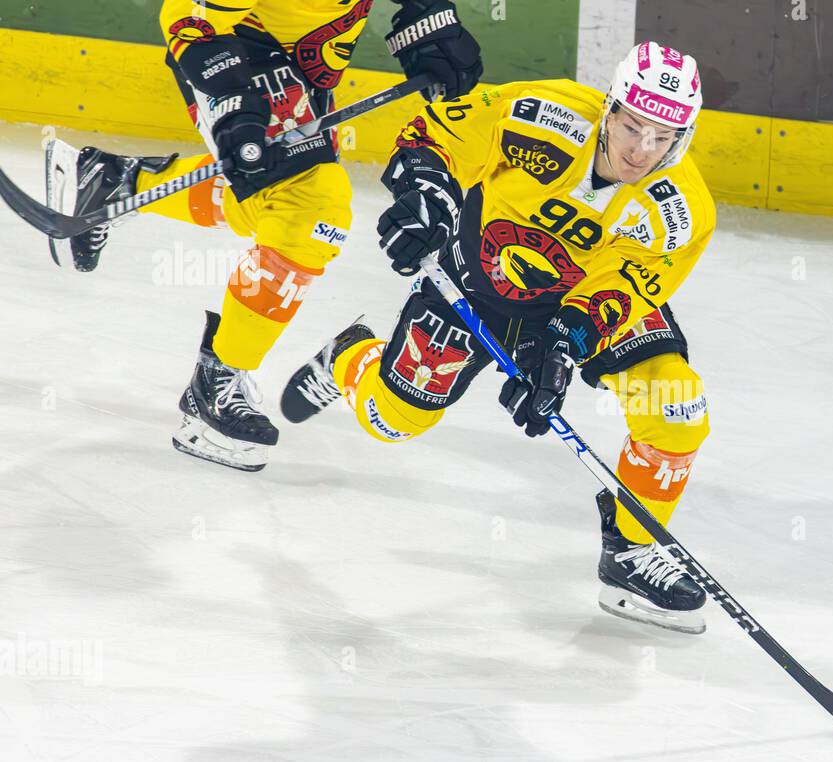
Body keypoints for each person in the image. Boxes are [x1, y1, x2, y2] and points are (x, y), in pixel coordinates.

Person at [281, 42, 716, 633]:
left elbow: (627, 290)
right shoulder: (542, 115)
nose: (642, 149)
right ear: (609, 110)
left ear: (683, 138)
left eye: (663, 136)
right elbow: (434, 133)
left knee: (677, 407)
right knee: (390, 421)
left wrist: (562, 345)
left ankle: (632, 553)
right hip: (473, 283)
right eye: (632, 126)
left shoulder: (682, 211)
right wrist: (429, 194)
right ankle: (349, 355)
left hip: (575, 302)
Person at [42, 0, 483, 471]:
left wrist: (427, 19)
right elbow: (191, 14)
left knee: (274, 194)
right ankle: (216, 381)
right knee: (313, 208)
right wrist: (232, 100)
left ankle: (110, 183)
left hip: (303, 63)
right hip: (235, 52)